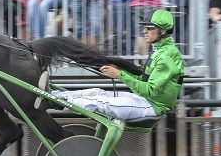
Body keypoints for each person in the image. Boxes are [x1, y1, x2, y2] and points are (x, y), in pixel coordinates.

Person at [44, 9, 184, 120]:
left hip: (153, 106)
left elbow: (150, 90)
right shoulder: (159, 50)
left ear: (163, 31)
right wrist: (119, 71)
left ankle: (54, 100)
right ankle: (55, 95)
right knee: (97, 92)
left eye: (149, 28)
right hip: (145, 100)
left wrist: (120, 75)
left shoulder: (167, 55)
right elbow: (144, 80)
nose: (144, 31)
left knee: (99, 102)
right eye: (145, 28)